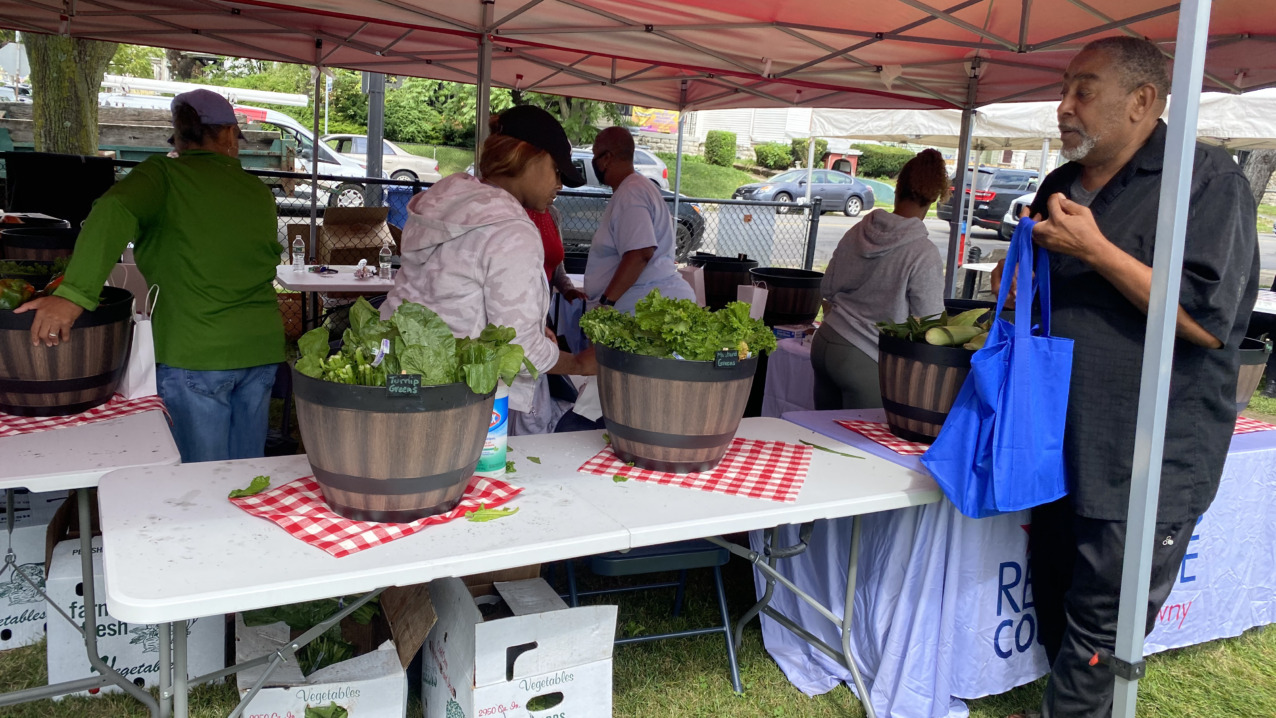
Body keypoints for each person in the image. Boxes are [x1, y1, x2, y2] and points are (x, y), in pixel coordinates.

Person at [992, 37, 1258, 718]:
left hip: (1147, 456)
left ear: (1143, 101)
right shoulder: (1058, 185)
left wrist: (1096, 250)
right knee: (1053, 600)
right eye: (1065, 88)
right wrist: (1020, 279)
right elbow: (1044, 292)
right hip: (1056, 441)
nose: (1064, 106)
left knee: (1101, 634)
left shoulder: (1206, 182)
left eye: (1084, 89)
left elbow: (1207, 321)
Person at [17, 89, 284, 463]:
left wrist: (73, 296)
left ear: (179, 137)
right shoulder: (256, 191)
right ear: (227, 135)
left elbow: (110, 210)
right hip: (260, 347)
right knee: (246, 475)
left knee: (201, 481)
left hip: (195, 350)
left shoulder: (162, 176)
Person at [382, 105, 597, 434]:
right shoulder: (510, 229)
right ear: (529, 157)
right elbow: (518, 347)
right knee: (460, 482)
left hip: (397, 376)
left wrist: (533, 327)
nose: (560, 184)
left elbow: (455, 296)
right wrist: (580, 364)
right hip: (455, 398)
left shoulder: (445, 204)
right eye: (556, 170)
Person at [810, 149, 950, 410]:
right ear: (934, 198)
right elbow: (930, 323)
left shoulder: (858, 229)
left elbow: (827, 287)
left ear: (897, 188)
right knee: (858, 448)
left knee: (821, 436)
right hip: (867, 356)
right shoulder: (923, 252)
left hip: (826, 342)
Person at [584, 127, 695, 312]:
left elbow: (640, 253)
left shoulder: (631, 193)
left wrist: (606, 303)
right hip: (644, 305)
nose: (594, 162)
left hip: (642, 311)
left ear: (607, 159)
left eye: (595, 155)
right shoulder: (636, 187)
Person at [527, 204, 587, 301]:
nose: (559, 187)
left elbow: (555, 262)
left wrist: (567, 288)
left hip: (542, 304)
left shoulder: (552, 212)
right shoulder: (512, 213)